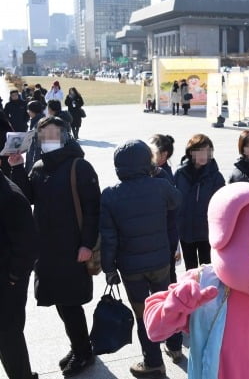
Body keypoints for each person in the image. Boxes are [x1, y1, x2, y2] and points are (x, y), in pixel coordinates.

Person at [8, 117, 100, 377]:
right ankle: (79, 345)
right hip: (47, 249)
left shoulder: (79, 166)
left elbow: (93, 210)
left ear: (64, 135)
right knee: (61, 302)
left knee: (70, 303)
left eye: (52, 133)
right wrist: (16, 168)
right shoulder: (38, 166)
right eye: (43, 134)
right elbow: (26, 198)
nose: (47, 139)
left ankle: (84, 352)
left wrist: (87, 245)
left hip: (72, 248)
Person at [100, 139, 184, 377]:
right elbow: (177, 200)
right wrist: (157, 174)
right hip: (160, 261)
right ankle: (175, 346)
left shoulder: (110, 195)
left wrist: (109, 268)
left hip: (130, 268)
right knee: (168, 306)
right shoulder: (160, 186)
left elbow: (108, 238)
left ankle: (153, 362)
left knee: (143, 314)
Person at [0, 166, 39, 379]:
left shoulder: (11, 196)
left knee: (8, 333)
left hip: (7, 281)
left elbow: (28, 246)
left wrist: (14, 276)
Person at [174, 134, 225, 270]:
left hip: (206, 231)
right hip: (186, 230)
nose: (204, 155)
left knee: (208, 269)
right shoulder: (180, 174)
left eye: (207, 151)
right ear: (191, 152)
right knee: (190, 269)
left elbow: (221, 204)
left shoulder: (215, 176)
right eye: (200, 151)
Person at [148, 134, 180, 283]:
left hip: (166, 234)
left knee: (167, 275)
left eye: (151, 151)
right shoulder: (154, 172)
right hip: (164, 234)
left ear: (164, 154)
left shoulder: (162, 176)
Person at [24, 101, 46, 173]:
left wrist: (35, 163)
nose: (27, 112)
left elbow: (39, 146)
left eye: (28, 110)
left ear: (32, 111)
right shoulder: (34, 121)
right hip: (33, 157)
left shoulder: (40, 124)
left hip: (36, 160)